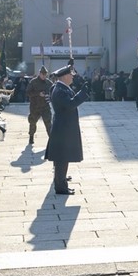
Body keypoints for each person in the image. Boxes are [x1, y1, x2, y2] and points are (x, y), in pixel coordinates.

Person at [45, 65, 89, 195]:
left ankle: (62, 182)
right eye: (70, 75)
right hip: (62, 128)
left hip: (64, 127)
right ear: (64, 76)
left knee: (63, 158)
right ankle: (60, 187)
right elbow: (70, 104)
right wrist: (82, 93)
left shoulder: (61, 87)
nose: (72, 77)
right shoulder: (59, 90)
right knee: (61, 159)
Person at [26, 66, 52, 146]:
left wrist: (49, 96)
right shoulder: (33, 82)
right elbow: (28, 92)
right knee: (32, 122)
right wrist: (38, 94)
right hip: (35, 106)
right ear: (39, 74)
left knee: (48, 123)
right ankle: (31, 136)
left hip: (45, 106)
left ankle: (51, 139)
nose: (44, 76)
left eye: (45, 74)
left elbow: (53, 92)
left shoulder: (49, 83)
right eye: (42, 74)